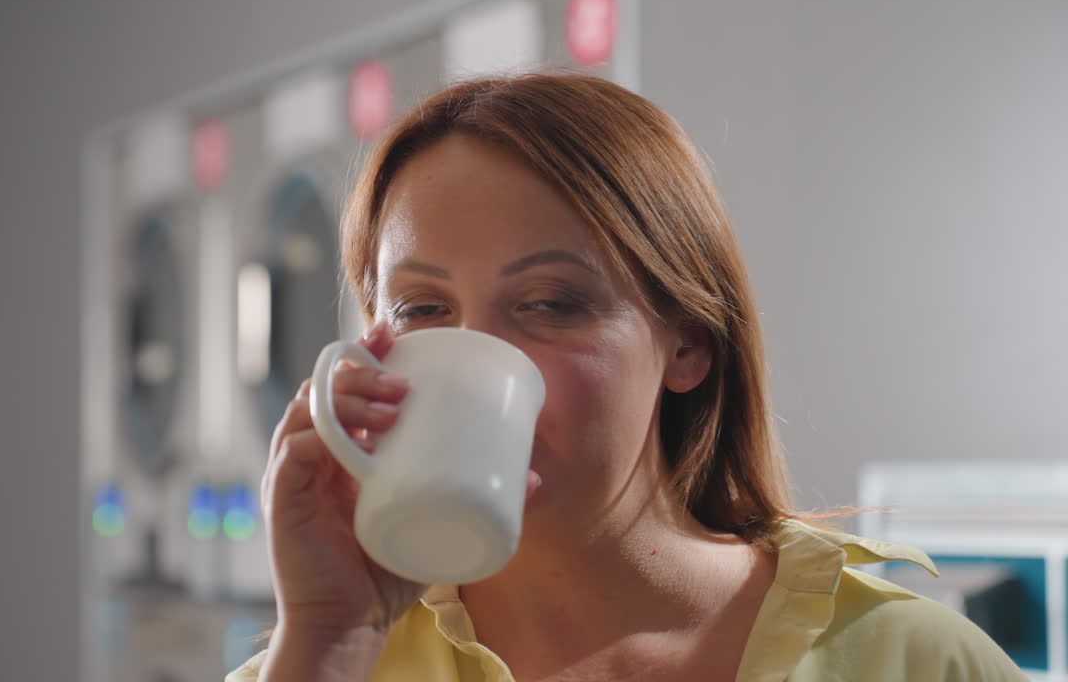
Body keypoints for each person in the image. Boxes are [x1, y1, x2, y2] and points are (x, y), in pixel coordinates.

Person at [229, 74, 1023, 681]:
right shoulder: (320, 659)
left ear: (689, 344)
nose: (476, 361)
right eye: (423, 310)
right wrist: (327, 643)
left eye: (549, 304)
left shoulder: (914, 660)